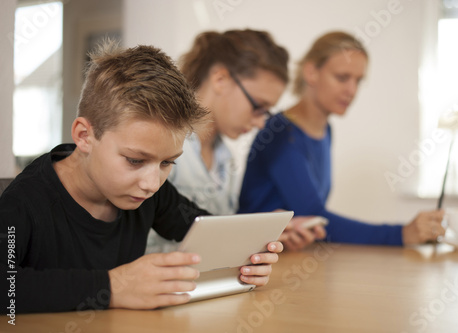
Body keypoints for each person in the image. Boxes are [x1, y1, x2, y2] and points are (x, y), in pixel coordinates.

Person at [0, 40, 283, 314]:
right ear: (84, 136)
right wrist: (114, 287)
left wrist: (249, 255)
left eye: (167, 162)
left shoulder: (150, 193)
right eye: (135, 160)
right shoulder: (24, 203)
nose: (151, 184)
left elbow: (204, 229)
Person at [238, 31, 445, 250]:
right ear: (311, 73)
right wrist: (400, 234)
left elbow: (313, 222)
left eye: (358, 81)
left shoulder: (325, 130)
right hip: (254, 259)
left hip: (288, 256)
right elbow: (314, 214)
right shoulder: (280, 134)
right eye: (342, 77)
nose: (352, 90)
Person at [147, 29, 289, 253]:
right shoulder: (162, 144)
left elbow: (215, 236)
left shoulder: (227, 160)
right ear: (220, 79)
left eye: (266, 112)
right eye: (258, 107)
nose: (261, 123)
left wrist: (261, 233)